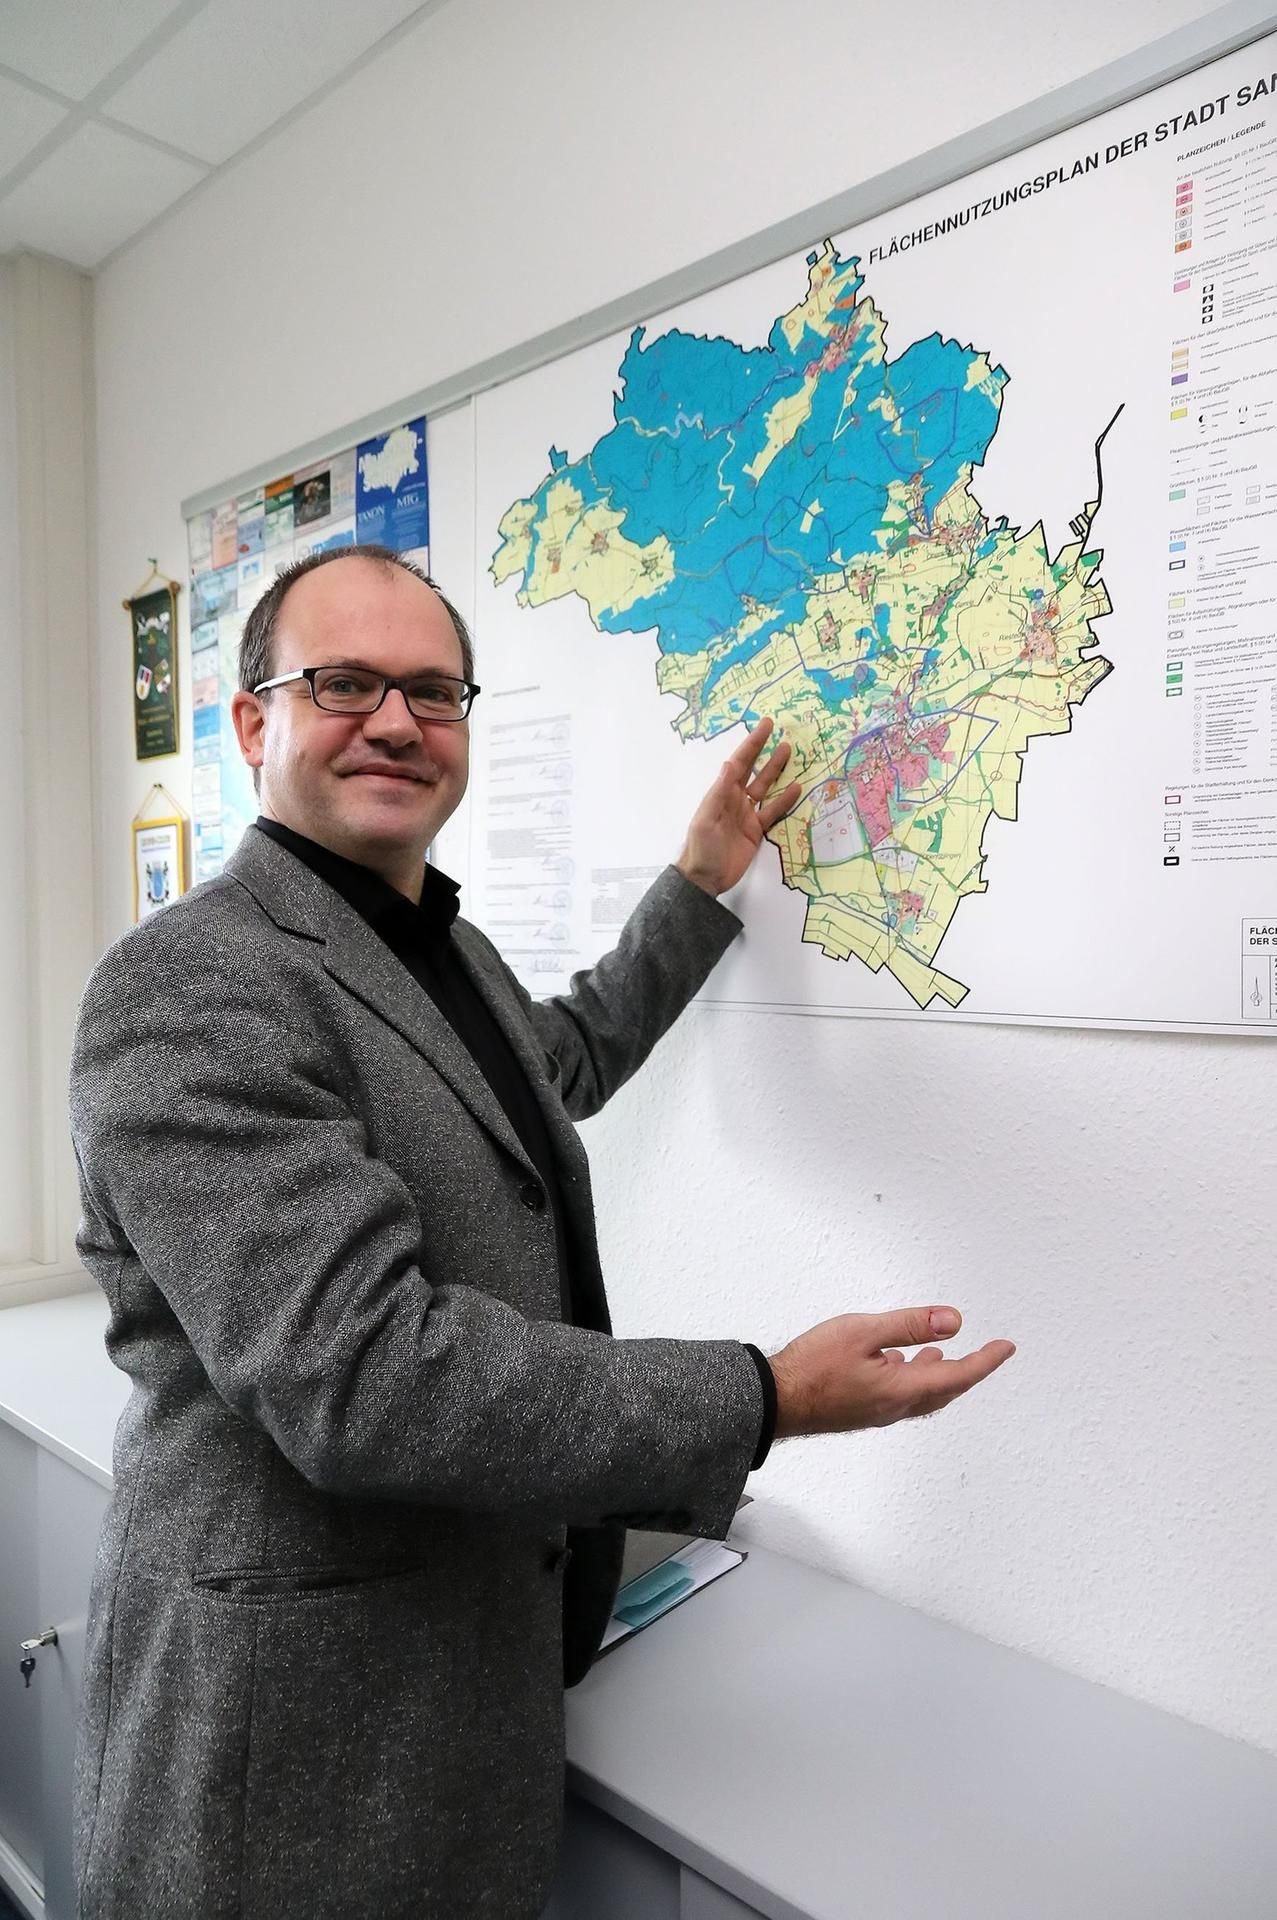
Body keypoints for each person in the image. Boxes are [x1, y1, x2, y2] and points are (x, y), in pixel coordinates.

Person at [67, 544, 1014, 1919]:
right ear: (253, 723)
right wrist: (763, 1395)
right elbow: (365, 1381)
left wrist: (694, 888)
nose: (394, 720)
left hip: (463, 1670)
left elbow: (546, 1071)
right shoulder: (193, 984)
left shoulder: (435, 948)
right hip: (299, 1736)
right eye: (343, 684)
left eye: (432, 692)